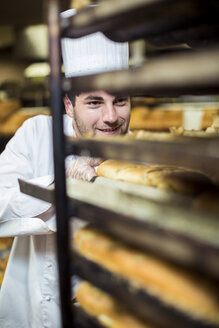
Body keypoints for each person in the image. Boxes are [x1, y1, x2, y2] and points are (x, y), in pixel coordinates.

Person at [0, 12, 130, 328]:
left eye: (121, 100)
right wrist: (64, 180)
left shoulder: (146, 157)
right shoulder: (37, 134)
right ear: (69, 106)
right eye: (95, 103)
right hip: (37, 311)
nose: (111, 117)